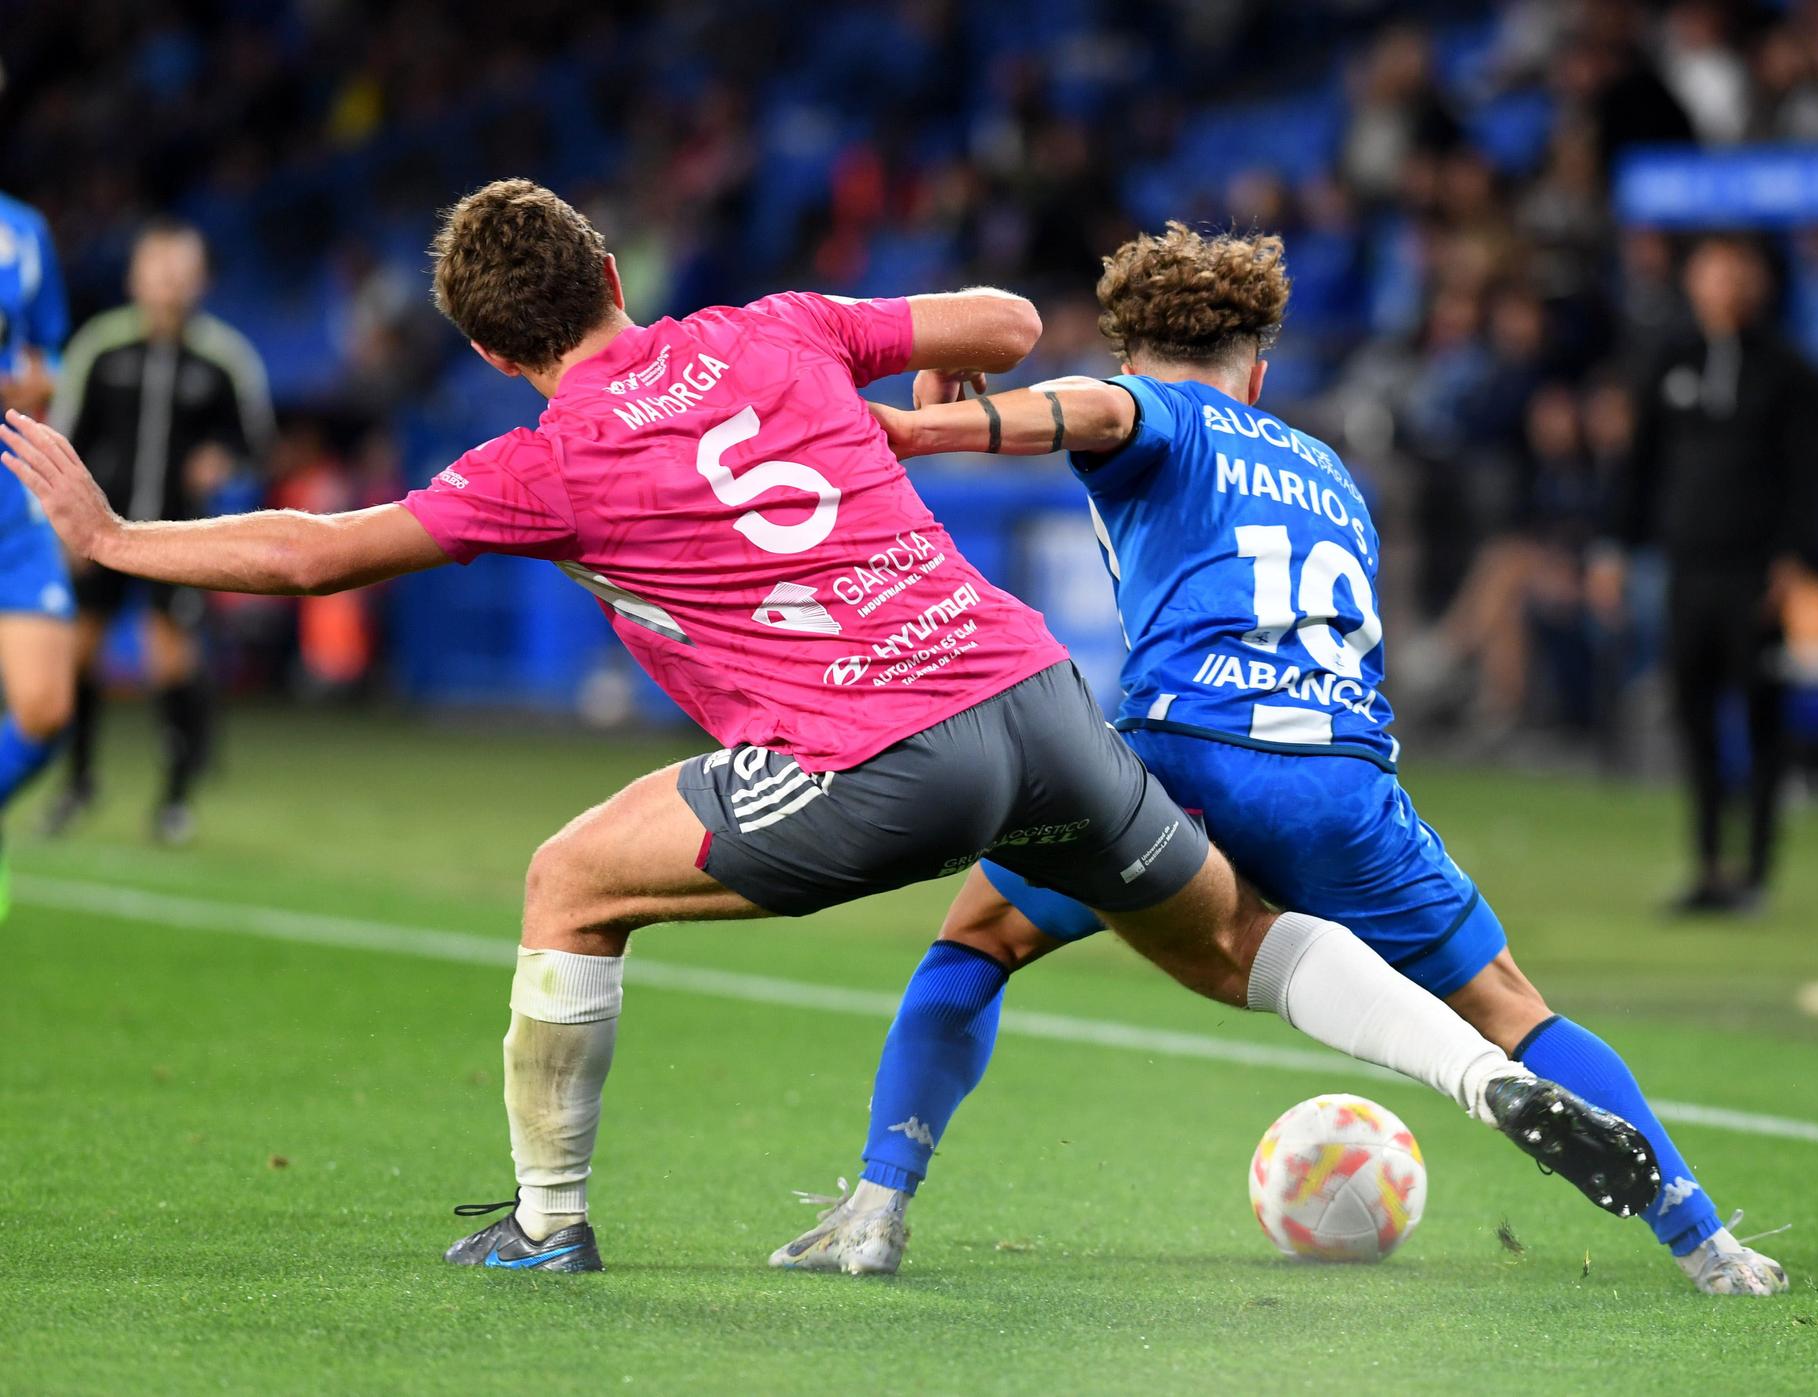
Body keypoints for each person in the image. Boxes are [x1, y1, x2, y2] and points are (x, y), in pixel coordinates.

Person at [2, 180, 1657, 1275]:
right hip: (1035, 698)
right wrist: (908, 398)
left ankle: (549, 1224)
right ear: (613, 278)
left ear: (502, 348)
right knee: (1236, 941)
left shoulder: (537, 460)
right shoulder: (771, 328)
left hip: (884, 753)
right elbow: (1012, 321)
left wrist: (115, 541)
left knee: (570, 878)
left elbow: (314, 549)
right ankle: (1473, 1068)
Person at [786, 223, 1783, 1296]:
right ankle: (1704, 1239)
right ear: (1257, 373)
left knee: (974, 942)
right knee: (1509, 1005)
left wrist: (919, 428)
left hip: (1181, 763)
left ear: (1129, 353)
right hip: (1341, 781)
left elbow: (1102, 411)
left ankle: (878, 1205)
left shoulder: (1146, 406)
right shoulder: (1328, 471)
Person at [1589, 236, 1818, 914]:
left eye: (1736, 270)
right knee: (1693, 715)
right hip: (1687, 570)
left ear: (1757, 281)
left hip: (1757, 573)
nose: (1724, 283)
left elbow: (1812, 474)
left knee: (1760, 714)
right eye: (1712, 270)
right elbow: (1637, 467)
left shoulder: (1787, 372)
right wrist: (1612, 546)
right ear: (1693, 280)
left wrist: (1797, 556)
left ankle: (1754, 868)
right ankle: (1705, 862)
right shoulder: (1670, 360)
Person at [40, 219, 273, 846]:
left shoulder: (223, 359)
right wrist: (64, 526)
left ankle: (174, 801)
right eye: (158, 267)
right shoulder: (102, 348)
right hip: (96, 535)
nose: (169, 281)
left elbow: (255, 441)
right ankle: (78, 782)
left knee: (170, 658)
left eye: (182, 268)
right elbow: (64, 438)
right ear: (134, 275)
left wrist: (224, 458)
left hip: (179, 538)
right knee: (78, 654)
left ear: (200, 279)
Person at [0, 188, 75, 920]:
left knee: (45, 707)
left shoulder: (24, 230)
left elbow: (47, 348)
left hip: (9, 496)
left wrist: (37, 378)